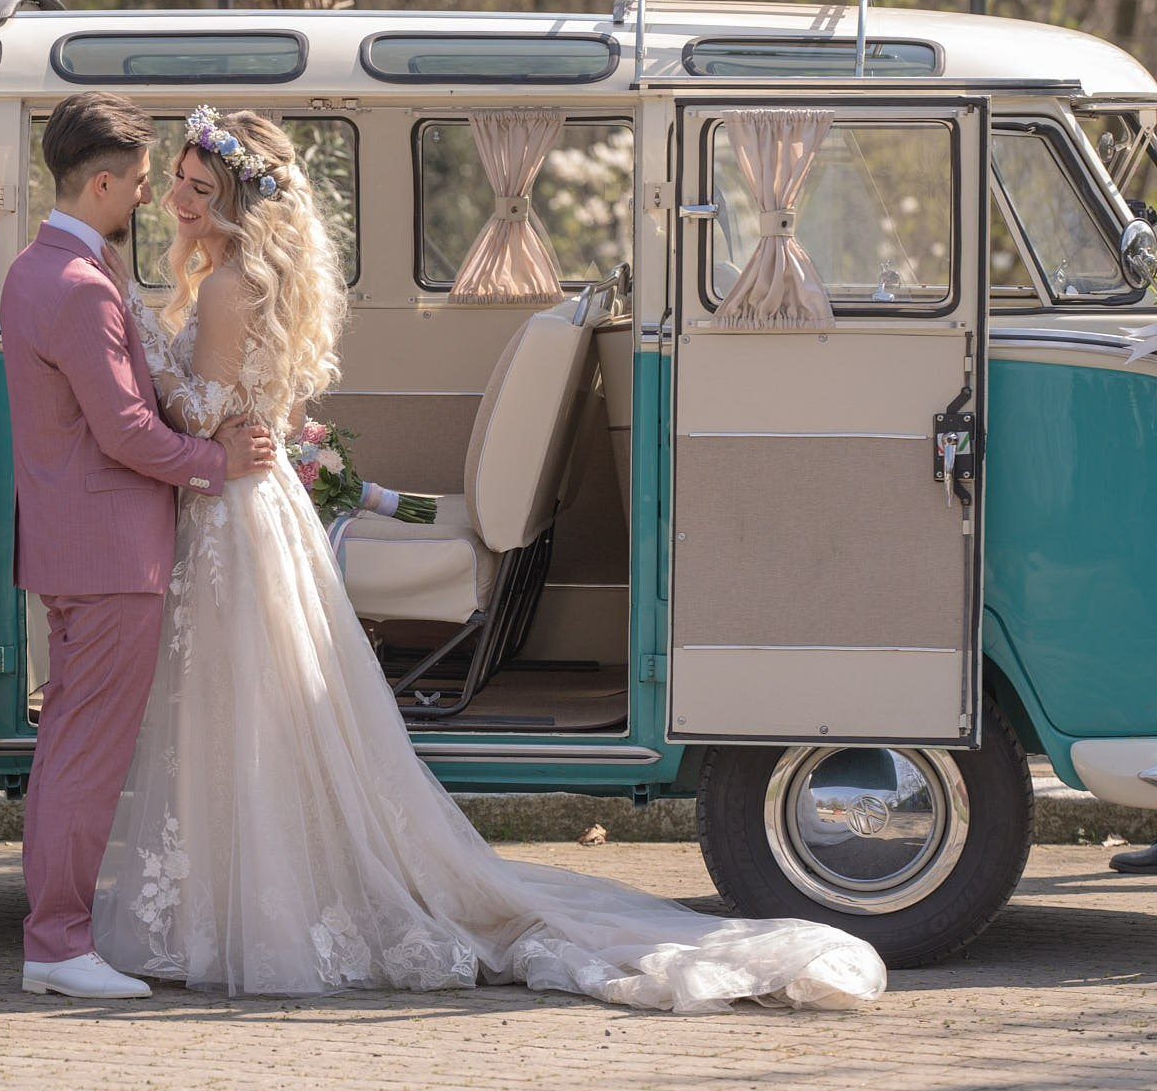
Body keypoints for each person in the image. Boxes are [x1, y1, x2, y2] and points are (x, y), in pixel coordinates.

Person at [88, 106, 889, 1012]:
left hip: (234, 510)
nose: (181, 204)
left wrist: (140, 339)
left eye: (200, 190)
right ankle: (234, 900)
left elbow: (200, 409)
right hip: (254, 508)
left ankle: (230, 910)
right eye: (181, 187)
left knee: (236, 712)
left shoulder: (229, 287)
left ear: (237, 201)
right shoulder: (246, 279)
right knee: (249, 716)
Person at [0, 92, 279, 1000]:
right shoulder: (81, 287)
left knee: (66, 748)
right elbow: (123, 430)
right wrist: (215, 460)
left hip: (70, 545)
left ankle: (55, 935)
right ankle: (58, 943)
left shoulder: (35, 269)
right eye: (148, 181)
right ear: (106, 181)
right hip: (113, 552)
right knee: (88, 753)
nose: (154, 197)